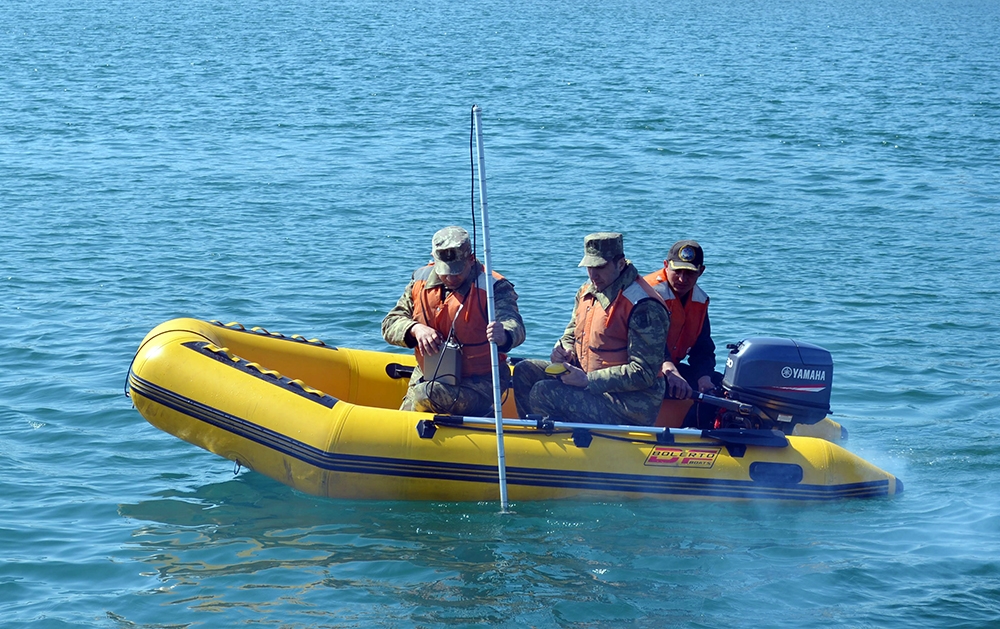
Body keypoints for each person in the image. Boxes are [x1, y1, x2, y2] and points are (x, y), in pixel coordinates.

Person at [512, 232, 669, 426]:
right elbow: (571, 332)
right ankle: (535, 436)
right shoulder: (587, 291)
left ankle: (562, 446)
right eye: (589, 267)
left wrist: (588, 380)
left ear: (620, 264)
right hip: (590, 384)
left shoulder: (643, 306)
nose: (593, 275)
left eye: (600, 267)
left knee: (543, 392)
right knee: (524, 371)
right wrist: (564, 349)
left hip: (629, 405)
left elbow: (644, 372)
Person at [381, 226, 525, 417]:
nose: (450, 277)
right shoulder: (419, 281)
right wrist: (415, 329)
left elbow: (514, 325)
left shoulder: (494, 287)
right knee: (410, 410)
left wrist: (504, 333)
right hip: (428, 375)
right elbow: (390, 323)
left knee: (425, 394)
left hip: (480, 383)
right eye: (444, 272)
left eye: (456, 271)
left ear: (470, 260)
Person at [643, 240, 721, 408]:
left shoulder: (699, 301)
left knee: (721, 386)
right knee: (665, 384)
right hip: (642, 368)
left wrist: (704, 378)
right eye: (677, 271)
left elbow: (703, 348)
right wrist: (669, 370)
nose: (682, 279)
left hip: (672, 366)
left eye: (689, 273)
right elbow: (648, 342)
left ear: (701, 271)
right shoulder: (648, 293)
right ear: (665, 265)